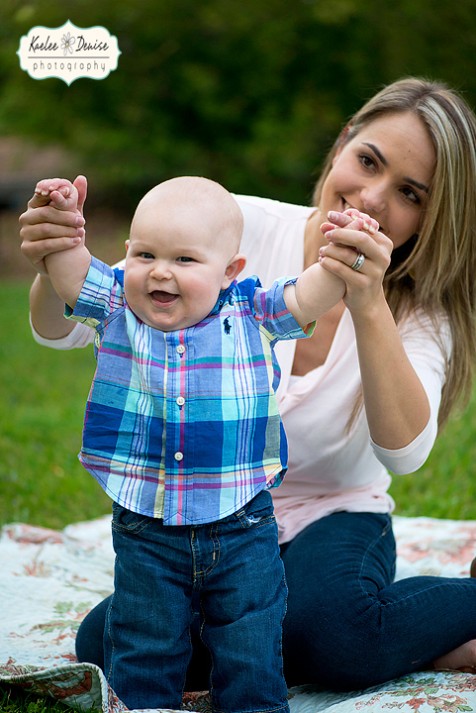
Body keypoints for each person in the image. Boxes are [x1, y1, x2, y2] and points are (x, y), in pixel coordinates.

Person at [19, 77, 476, 693]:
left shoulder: (427, 311)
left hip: (330, 514)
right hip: (204, 514)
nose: (370, 197)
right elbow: (67, 329)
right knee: (105, 641)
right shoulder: (233, 227)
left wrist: (369, 303)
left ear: (432, 213)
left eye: (409, 193)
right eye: (367, 160)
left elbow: (405, 452)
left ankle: (395, 620)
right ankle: (394, 638)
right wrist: (54, 265)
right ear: (343, 144)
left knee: (335, 632)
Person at [31, 174, 377, 711]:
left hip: (241, 522)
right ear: (127, 256)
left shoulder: (252, 311)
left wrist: (339, 255)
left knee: (250, 638)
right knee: (144, 640)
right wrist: (63, 230)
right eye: (145, 254)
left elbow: (309, 296)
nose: (161, 271)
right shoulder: (120, 306)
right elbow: (73, 276)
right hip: (147, 524)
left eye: (186, 260)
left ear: (229, 271)